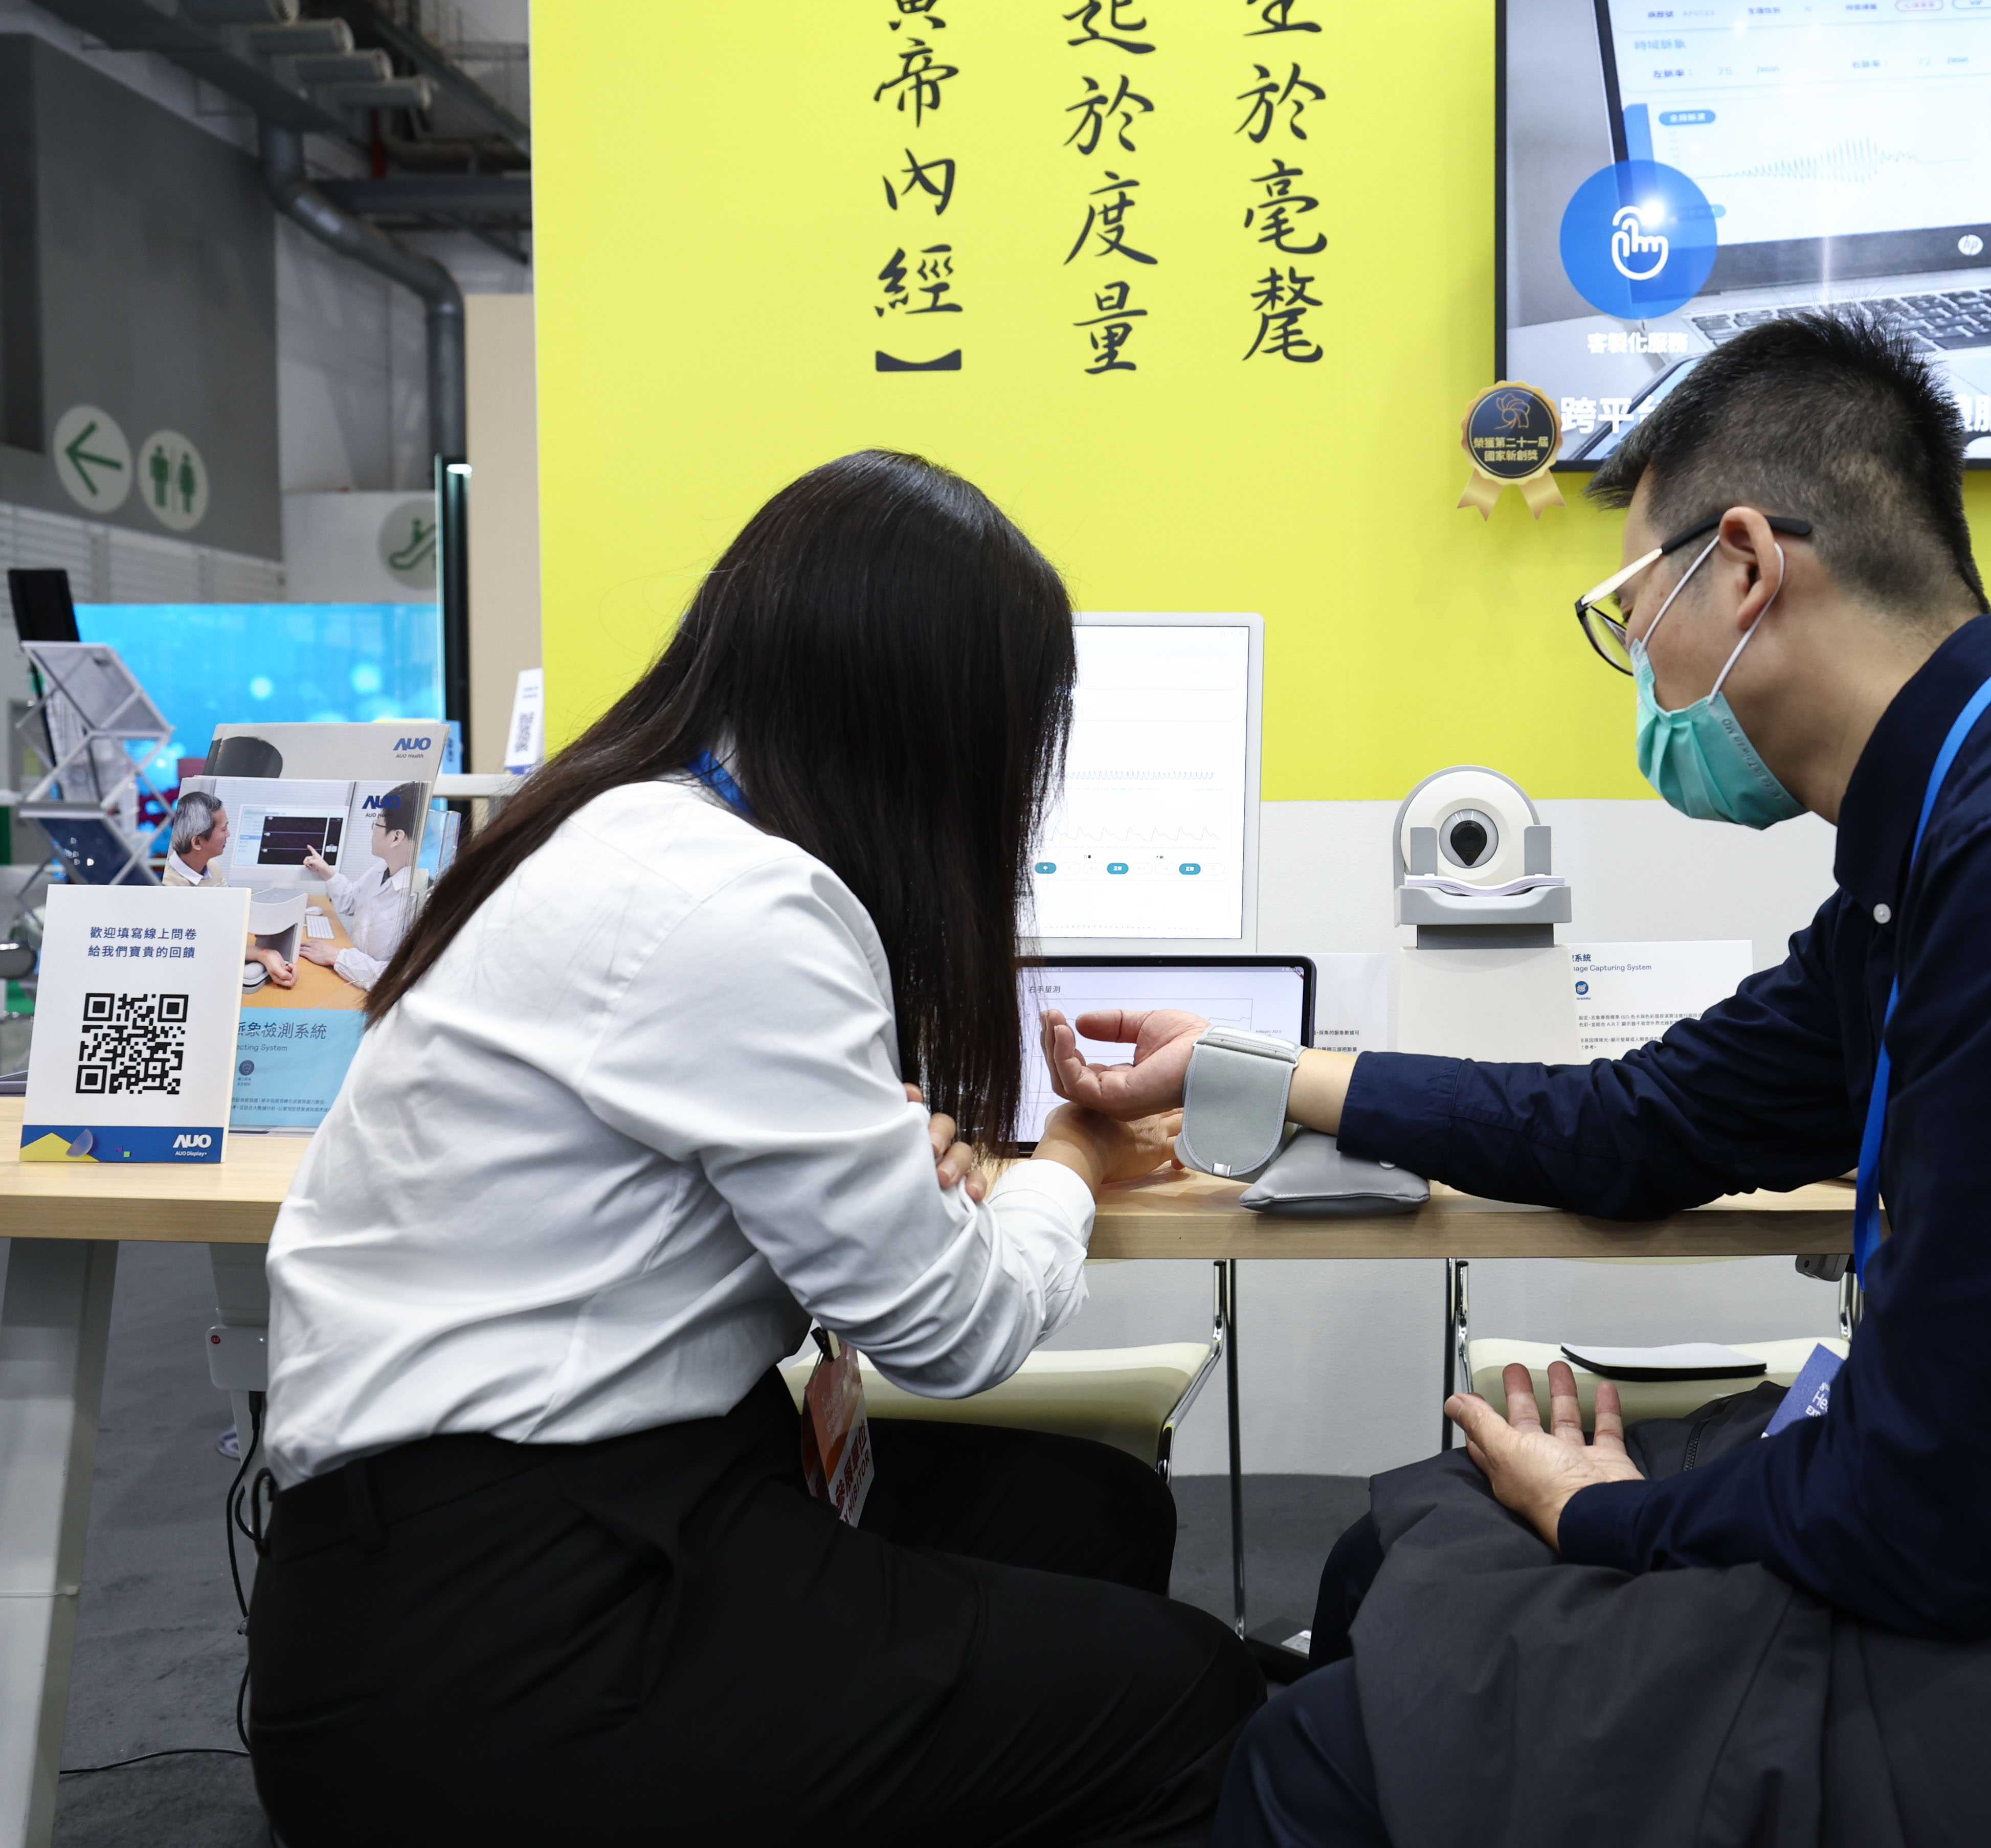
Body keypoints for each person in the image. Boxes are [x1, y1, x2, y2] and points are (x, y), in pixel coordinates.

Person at [1050, 315, 1991, 1847]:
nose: (1636, 668)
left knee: (1339, 1752)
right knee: (1403, 1543)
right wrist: (1262, 1072)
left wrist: (1610, 1514)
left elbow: (1934, 1520)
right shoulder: (1965, 843)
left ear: (1747, 567)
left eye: (1630, 613)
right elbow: (1634, 1128)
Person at [249, 450, 1263, 1847]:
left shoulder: (629, 833)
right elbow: (951, 1337)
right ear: (936, 727)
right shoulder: (736, 907)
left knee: (1078, 1509)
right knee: (1190, 1696)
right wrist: (1070, 1165)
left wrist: (896, 1169)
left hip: (510, 1535)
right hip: (521, 1629)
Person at [297, 779, 424, 991]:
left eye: (377, 824)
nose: (373, 831)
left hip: (377, 996)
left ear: (396, 837)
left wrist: (337, 956)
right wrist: (327, 872)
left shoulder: (420, 897)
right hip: (354, 981)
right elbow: (352, 902)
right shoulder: (381, 870)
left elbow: (399, 977)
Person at [164, 787, 296, 988]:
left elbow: (229, 922)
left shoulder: (212, 867)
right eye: (223, 829)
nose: (229, 834)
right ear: (198, 842)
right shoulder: (169, 888)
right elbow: (201, 947)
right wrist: (263, 954)